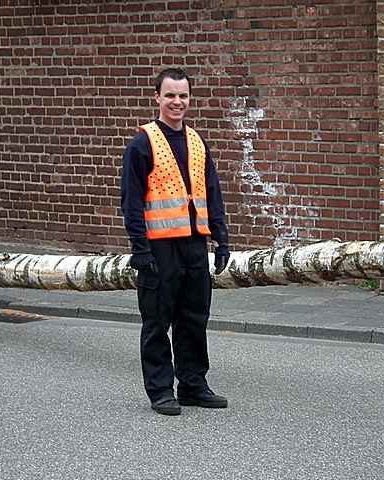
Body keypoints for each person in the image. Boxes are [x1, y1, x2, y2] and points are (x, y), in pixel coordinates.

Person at [121, 68, 231, 416]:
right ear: (157, 98)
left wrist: (221, 238)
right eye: (170, 95)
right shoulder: (142, 143)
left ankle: (193, 385)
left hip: (194, 246)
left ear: (189, 99)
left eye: (182, 95)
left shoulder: (198, 142)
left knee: (194, 318)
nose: (177, 102)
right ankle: (160, 391)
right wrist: (140, 249)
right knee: (157, 321)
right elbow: (131, 201)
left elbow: (211, 192)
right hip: (159, 249)